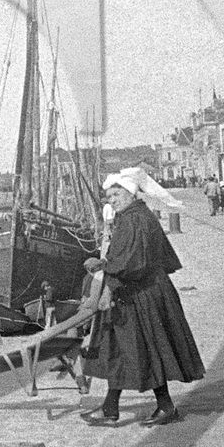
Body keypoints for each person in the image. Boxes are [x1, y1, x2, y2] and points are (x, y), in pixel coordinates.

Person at [81, 169, 206, 426]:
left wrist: (103, 269)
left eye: (116, 194)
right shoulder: (136, 215)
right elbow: (132, 257)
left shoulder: (133, 220)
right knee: (122, 346)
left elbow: (129, 262)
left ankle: (163, 407)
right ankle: (112, 407)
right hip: (142, 290)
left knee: (143, 347)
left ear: (130, 193)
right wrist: (108, 267)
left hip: (140, 294)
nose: (111, 200)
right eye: (108, 197)